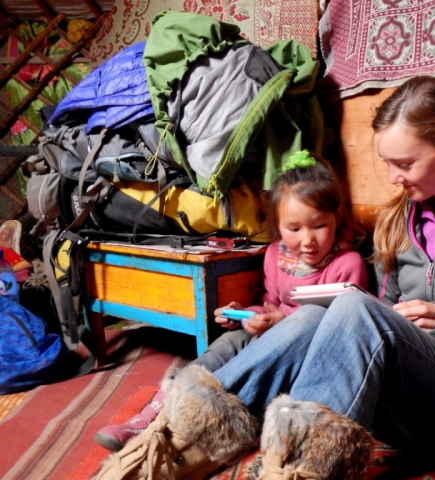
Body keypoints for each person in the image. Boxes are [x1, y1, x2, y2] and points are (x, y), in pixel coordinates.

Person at [96, 76, 435, 480]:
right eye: (386, 162)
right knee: (304, 321)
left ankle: (299, 467)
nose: (392, 178)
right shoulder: (399, 220)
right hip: (410, 410)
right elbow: (383, 318)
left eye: (404, 164)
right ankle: (174, 447)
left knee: (353, 308)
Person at [93, 151, 369, 452]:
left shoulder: (347, 264)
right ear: (278, 223)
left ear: (337, 217)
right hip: (268, 334)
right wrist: (244, 315)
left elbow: (342, 335)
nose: (307, 240)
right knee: (228, 343)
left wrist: (280, 322)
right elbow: (271, 304)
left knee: (242, 368)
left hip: (304, 355)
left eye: (319, 226)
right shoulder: (276, 255)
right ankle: (153, 414)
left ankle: (187, 421)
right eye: (294, 228)